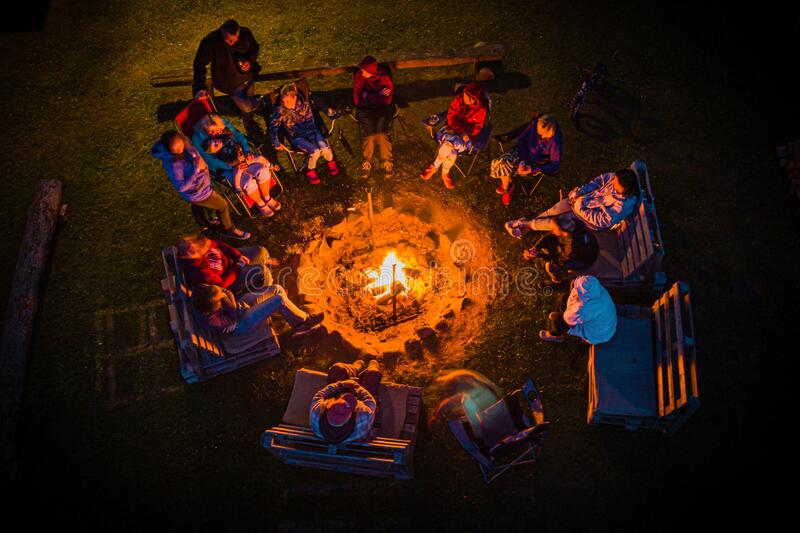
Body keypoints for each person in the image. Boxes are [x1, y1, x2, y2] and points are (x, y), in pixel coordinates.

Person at [151, 130, 249, 240]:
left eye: (180, 146)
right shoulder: (174, 164)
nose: (180, 151)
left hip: (203, 184)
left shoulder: (185, 145)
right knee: (222, 206)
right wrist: (195, 172)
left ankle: (205, 225)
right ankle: (229, 230)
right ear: (169, 150)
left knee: (200, 206)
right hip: (198, 193)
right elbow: (181, 187)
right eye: (175, 150)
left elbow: (195, 154)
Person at [193, 114, 281, 217]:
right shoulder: (198, 139)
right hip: (225, 166)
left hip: (241, 156)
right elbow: (211, 161)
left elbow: (239, 137)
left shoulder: (223, 125)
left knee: (262, 170)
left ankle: (267, 197)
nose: (214, 134)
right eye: (210, 132)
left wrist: (246, 152)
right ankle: (260, 204)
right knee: (248, 182)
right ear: (204, 129)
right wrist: (234, 165)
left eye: (216, 130)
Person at [505, 168, 639, 234]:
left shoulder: (623, 206)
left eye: (616, 184)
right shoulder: (614, 178)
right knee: (551, 212)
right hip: (579, 202)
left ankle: (525, 225)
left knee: (555, 222)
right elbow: (596, 182)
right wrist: (579, 193)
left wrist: (580, 208)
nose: (612, 183)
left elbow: (602, 221)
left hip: (586, 220)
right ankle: (527, 227)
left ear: (625, 189)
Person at [193, 20, 266, 136]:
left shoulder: (245, 33)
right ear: (222, 31)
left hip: (248, 77)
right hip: (229, 83)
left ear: (239, 31)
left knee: (249, 98)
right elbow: (199, 64)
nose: (232, 42)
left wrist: (249, 61)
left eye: (235, 39)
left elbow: (254, 48)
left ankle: (249, 121)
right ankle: (262, 102)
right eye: (229, 40)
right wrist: (201, 86)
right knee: (247, 107)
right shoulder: (210, 42)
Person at [420, 82, 488, 189]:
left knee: (449, 145)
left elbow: (477, 128)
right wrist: (462, 131)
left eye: (467, 96)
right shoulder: (458, 100)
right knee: (452, 147)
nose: (464, 96)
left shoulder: (481, 110)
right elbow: (451, 118)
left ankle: (434, 166)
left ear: (474, 99)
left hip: (465, 139)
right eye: (464, 93)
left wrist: (465, 134)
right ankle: (445, 173)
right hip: (451, 131)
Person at [269, 82, 340, 185]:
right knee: (315, 151)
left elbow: (310, 121)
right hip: (296, 136)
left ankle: (331, 162)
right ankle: (310, 170)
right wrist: (275, 140)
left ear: (294, 98)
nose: (284, 103)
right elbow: (273, 125)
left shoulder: (304, 105)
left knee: (324, 148)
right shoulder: (280, 110)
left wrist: (311, 137)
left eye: (287, 101)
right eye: (283, 100)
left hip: (311, 130)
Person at [191, 283, 324, 337]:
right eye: (220, 303)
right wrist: (227, 300)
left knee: (277, 289)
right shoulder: (211, 322)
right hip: (241, 323)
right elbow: (235, 317)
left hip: (238, 306)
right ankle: (304, 321)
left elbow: (225, 291)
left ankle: (293, 320)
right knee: (279, 299)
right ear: (211, 310)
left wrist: (225, 299)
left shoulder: (201, 290)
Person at [490, 114, 563, 205]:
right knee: (502, 162)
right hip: (520, 152)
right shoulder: (536, 124)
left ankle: (507, 186)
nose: (538, 132)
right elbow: (522, 139)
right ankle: (508, 186)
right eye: (537, 129)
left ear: (549, 133)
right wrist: (522, 159)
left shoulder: (555, 142)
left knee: (506, 168)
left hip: (534, 163)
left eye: (540, 132)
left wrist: (533, 169)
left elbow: (554, 164)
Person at [309, 359, 383, 444]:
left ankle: (354, 369)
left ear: (329, 407)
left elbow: (319, 395)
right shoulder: (363, 415)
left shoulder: (317, 412)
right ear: (350, 415)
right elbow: (370, 401)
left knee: (337, 368)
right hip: (360, 403)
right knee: (373, 374)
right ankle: (371, 368)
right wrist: (357, 387)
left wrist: (341, 385)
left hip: (343, 401)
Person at [178, 234, 278, 291]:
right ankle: (269, 291)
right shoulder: (200, 272)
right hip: (230, 278)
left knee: (261, 251)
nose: (194, 247)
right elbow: (222, 284)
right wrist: (238, 266)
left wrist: (238, 256)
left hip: (233, 261)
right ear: (186, 256)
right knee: (263, 272)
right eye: (191, 251)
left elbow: (219, 244)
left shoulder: (200, 245)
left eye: (192, 243)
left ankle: (263, 262)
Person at [539, 275, 617, 343]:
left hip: (602, 334)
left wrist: (573, 299)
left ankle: (556, 334)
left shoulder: (581, 310)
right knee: (564, 299)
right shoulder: (593, 284)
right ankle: (557, 320)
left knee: (563, 322)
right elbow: (573, 296)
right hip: (606, 319)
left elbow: (570, 319)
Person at [353, 55, 395, 179]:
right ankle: (367, 162)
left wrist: (369, 96)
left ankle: (387, 162)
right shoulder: (359, 77)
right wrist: (378, 94)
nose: (362, 72)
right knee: (371, 135)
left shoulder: (383, 76)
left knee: (381, 133)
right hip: (365, 110)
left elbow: (388, 97)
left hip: (382, 109)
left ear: (371, 71)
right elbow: (358, 97)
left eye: (364, 70)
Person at [522, 215, 598, 283]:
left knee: (551, 267)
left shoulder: (572, 248)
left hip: (585, 260)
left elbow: (558, 261)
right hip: (588, 247)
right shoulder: (574, 223)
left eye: (554, 229)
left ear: (564, 233)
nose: (552, 230)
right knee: (548, 245)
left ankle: (557, 280)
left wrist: (538, 255)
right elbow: (550, 236)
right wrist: (536, 247)